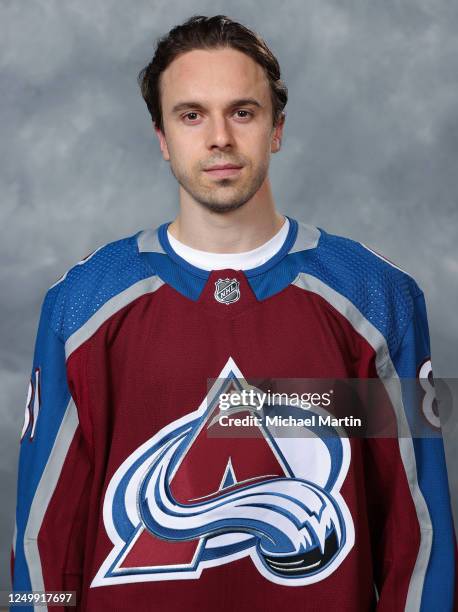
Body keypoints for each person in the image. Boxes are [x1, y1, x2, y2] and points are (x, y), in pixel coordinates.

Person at [10, 14, 456, 612]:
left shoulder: (380, 297)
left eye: (242, 111)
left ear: (276, 128)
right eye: (191, 115)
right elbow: (44, 538)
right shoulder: (83, 303)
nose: (219, 136)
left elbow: (419, 534)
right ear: (162, 138)